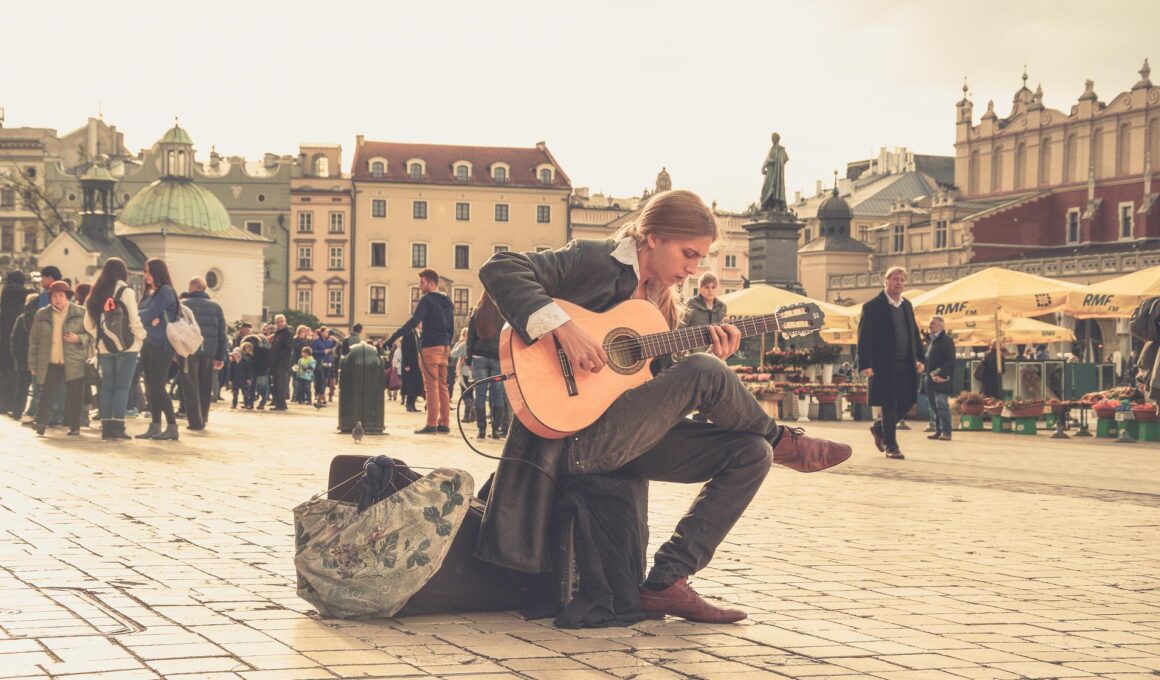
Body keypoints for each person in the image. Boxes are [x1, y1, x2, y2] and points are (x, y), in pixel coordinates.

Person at [477, 189, 851, 624]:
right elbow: (499, 268)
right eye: (688, 254)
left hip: (624, 439)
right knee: (703, 370)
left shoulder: (662, 305)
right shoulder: (593, 259)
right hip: (573, 441)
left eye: (700, 258)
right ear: (652, 238)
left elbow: (657, 391)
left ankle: (667, 582)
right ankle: (787, 442)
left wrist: (715, 363)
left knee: (751, 453)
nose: (694, 268)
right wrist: (565, 330)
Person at [857, 266, 924, 460]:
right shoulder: (872, 306)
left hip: (906, 363)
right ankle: (891, 446)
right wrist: (865, 364)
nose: (899, 283)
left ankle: (879, 428)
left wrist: (920, 358)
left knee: (908, 400)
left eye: (902, 280)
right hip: (883, 365)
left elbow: (914, 334)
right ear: (886, 281)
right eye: (895, 279)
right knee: (889, 405)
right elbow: (864, 337)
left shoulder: (906, 305)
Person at [83, 258, 147, 440]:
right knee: (122, 387)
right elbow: (134, 319)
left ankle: (106, 427)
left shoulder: (97, 292)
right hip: (128, 347)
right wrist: (141, 336)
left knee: (108, 386)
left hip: (104, 347)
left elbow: (87, 323)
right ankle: (118, 427)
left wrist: (102, 334)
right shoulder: (125, 291)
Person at [386, 268, 454, 435]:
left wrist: (393, 337)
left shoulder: (427, 300)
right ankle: (444, 423)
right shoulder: (448, 301)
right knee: (443, 386)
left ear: (431, 283)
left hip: (430, 346)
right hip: (445, 346)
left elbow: (415, 321)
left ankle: (431, 424)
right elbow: (451, 327)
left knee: (431, 387)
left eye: (422, 283)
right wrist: (447, 343)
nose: (419, 286)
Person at [28, 281, 91, 436]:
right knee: (46, 393)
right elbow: (34, 340)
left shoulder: (80, 312)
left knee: (75, 395)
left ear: (68, 297)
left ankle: (74, 426)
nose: (57, 299)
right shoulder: (41, 314)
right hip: (50, 360)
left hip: (73, 360)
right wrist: (32, 363)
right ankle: (40, 422)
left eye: (61, 296)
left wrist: (78, 338)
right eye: (54, 296)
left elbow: (91, 336)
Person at [136, 258, 180, 440]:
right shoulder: (150, 293)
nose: (145, 276)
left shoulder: (165, 291)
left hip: (162, 346)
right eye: (145, 272)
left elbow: (148, 314)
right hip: (148, 343)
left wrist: (145, 317)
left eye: (148, 272)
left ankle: (172, 426)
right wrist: (146, 317)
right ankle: (155, 425)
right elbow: (145, 314)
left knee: (158, 387)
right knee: (150, 387)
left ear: (157, 272)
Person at [179, 277, 227, 431]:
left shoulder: (183, 306)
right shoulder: (216, 307)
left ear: (192, 288)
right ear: (204, 289)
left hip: (189, 350)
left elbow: (176, 329)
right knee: (205, 386)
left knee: (190, 385)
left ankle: (195, 421)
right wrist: (221, 356)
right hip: (209, 350)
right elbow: (222, 333)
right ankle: (203, 416)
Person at [681, 271, 728, 421]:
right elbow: (681, 328)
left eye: (713, 287)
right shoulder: (690, 304)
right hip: (694, 354)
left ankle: (713, 422)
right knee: (699, 390)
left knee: (715, 389)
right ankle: (698, 422)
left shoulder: (721, 306)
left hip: (716, 353)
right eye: (707, 287)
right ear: (700, 288)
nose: (710, 290)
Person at [466, 291, 506, 440]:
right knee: (497, 393)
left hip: (479, 356)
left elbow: (470, 337)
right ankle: (496, 430)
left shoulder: (477, 311)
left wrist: (469, 359)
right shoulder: (503, 309)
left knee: (480, 394)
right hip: (498, 357)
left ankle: (481, 430)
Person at [1, 270, 32, 414]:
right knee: (15, 374)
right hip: (19, 339)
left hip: (3, 337)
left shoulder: (5, 293)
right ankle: (11, 405)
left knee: (3, 371)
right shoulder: (25, 294)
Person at [923, 316, 955, 442]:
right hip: (930, 379)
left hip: (941, 380)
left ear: (941, 326)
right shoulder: (932, 341)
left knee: (941, 405)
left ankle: (946, 432)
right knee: (933, 407)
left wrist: (941, 375)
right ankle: (938, 430)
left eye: (933, 324)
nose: (930, 326)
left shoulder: (946, 340)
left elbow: (950, 361)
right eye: (930, 323)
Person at [8, 293, 37, 420]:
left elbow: (15, 339)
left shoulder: (22, 318)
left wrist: (17, 355)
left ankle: (17, 412)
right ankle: (34, 412)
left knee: (22, 387)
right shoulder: (43, 317)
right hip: (37, 358)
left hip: (23, 358)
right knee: (38, 388)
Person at [269, 314, 293, 411]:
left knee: (281, 384)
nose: (279, 323)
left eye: (281, 321)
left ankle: (282, 404)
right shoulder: (278, 333)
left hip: (282, 363)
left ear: (285, 321)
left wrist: (278, 358)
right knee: (276, 383)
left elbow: (288, 349)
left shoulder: (287, 333)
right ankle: (278, 403)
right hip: (276, 363)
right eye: (277, 322)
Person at [311, 327, 336, 406]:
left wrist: (335, 341)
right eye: (326, 332)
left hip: (328, 363)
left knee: (324, 381)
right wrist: (323, 352)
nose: (327, 333)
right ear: (321, 332)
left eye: (328, 332)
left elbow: (335, 346)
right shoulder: (316, 341)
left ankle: (320, 399)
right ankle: (322, 398)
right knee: (320, 381)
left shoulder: (329, 341)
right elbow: (313, 352)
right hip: (320, 363)